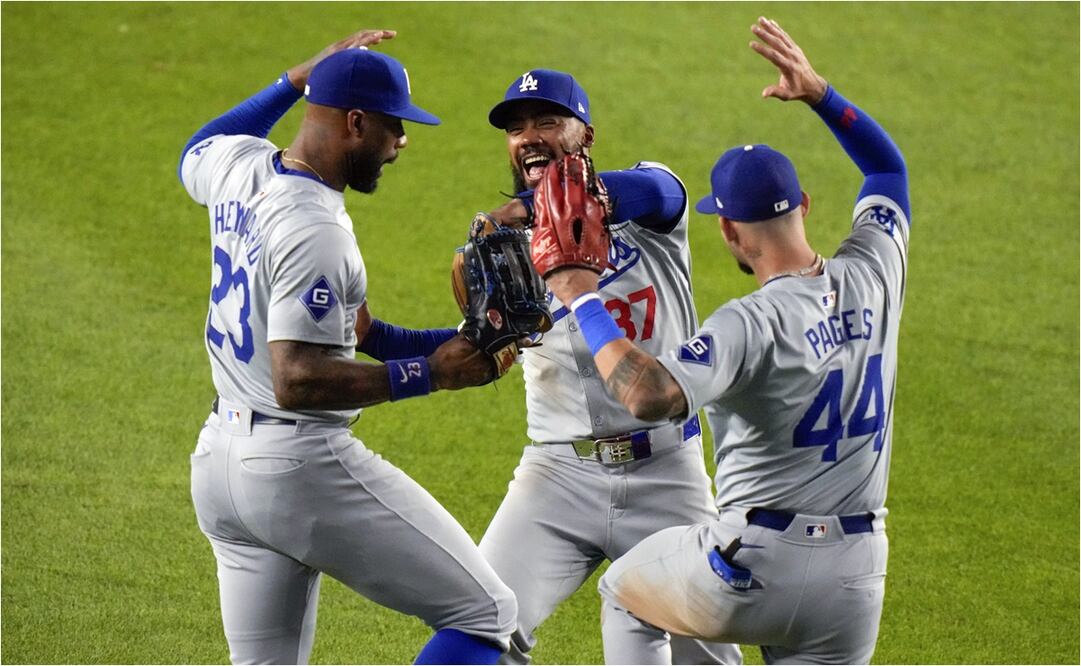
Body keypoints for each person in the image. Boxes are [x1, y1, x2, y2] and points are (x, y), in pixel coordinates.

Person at [541, 17, 910, 664]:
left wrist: (580, 296)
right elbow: (887, 168)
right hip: (856, 578)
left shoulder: (748, 322)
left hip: (752, 569)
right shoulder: (874, 268)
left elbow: (650, 395)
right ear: (805, 204)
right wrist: (821, 93)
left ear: (728, 233)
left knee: (625, 592)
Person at [178, 30, 516, 665]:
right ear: (356, 123)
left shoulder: (241, 167)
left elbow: (196, 147)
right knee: (485, 612)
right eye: (395, 127)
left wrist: (473, 342)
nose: (402, 143)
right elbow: (299, 379)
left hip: (220, 467)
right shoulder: (315, 228)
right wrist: (430, 375)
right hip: (296, 468)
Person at [479, 69, 741, 664]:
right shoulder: (507, 248)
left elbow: (659, 191)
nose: (529, 137)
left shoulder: (652, 207)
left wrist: (534, 206)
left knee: (707, 657)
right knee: (477, 618)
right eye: (516, 128)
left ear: (586, 134)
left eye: (548, 121)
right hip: (556, 477)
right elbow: (474, 347)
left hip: (667, 472)